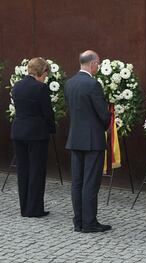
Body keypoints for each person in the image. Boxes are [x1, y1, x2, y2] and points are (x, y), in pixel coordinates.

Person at [65, 50, 111, 233]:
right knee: (90, 182)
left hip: (75, 138)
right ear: (93, 64)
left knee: (77, 182)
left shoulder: (69, 83)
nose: (98, 68)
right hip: (92, 140)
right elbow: (103, 114)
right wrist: (107, 122)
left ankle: (79, 221)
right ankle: (89, 222)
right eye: (97, 64)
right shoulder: (93, 84)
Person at [11, 57, 56, 217]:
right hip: (37, 134)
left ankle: (24, 207)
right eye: (46, 73)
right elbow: (47, 112)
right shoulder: (40, 88)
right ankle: (34, 209)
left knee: (23, 170)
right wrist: (52, 129)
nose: (46, 77)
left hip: (18, 132)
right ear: (41, 71)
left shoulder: (17, 86)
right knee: (37, 171)